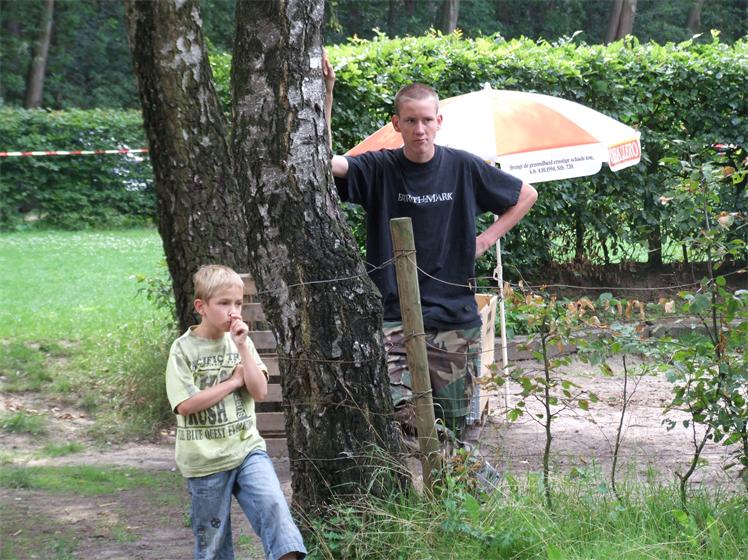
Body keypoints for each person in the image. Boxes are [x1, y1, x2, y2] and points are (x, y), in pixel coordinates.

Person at [323, 55, 538, 436]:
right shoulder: (379, 169)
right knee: (402, 416)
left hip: (454, 317)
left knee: (456, 429)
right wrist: (327, 96)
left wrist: (486, 239)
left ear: (439, 122)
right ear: (396, 124)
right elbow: (323, 163)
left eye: (426, 120)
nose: (419, 129)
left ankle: (452, 473)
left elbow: (526, 194)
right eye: (410, 121)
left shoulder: (463, 167)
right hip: (394, 318)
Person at [165, 264, 306, 560]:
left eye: (239, 303)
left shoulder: (241, 342)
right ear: (201, 307)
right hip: (204, 461)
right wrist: (231, 382)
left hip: (246, 450)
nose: (233, 312)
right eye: (224, 303)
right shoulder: (183, 350)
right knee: (214, 546)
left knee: (275, 509)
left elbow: (260, 391)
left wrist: (242, 347)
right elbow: (185, 405)